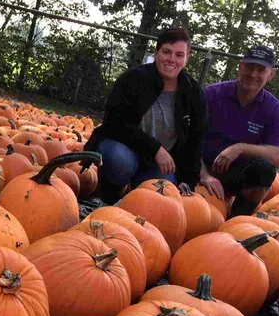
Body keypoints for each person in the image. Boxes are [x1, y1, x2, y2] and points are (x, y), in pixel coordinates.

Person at [84, 27, 208, 204]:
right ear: (156, 52)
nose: (172, 59)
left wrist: (189, 184)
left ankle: (130, 204)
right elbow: (114, 123)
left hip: (160, 164)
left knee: (160, 198)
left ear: (187, 58)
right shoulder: (133, 79)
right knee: (118, 159)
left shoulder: (194, 94)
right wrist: (154, 148)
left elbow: (196, 142)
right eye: (166, 52)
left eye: (179, 55)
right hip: (127, 149)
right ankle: (108, 198)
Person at [200, 45, 279, 217]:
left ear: (271, 74)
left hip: (235, 175)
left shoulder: (275, 109)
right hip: (198, 167)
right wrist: (203, 175)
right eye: (249, 67)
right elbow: (186, 137)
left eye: (261, 70)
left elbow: (278, 156)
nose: (253, 74)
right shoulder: (211, 94)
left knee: (265, 170)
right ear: (240, 66)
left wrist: (239, 148)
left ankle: (237, 221)